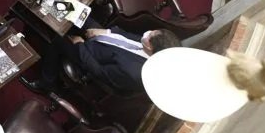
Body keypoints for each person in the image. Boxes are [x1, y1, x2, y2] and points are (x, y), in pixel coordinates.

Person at [35, 27, 180, 96]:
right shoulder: (151, 46)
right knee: (83, 14)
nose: (148, 32)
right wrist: (106, 32)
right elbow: (127, 35)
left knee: (58, 39)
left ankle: (47, 82)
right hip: (102, 37)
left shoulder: (132, 72)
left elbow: (98, 71)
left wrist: (80, 45)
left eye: (151, 35)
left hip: (88, 54)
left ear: (150, 46)